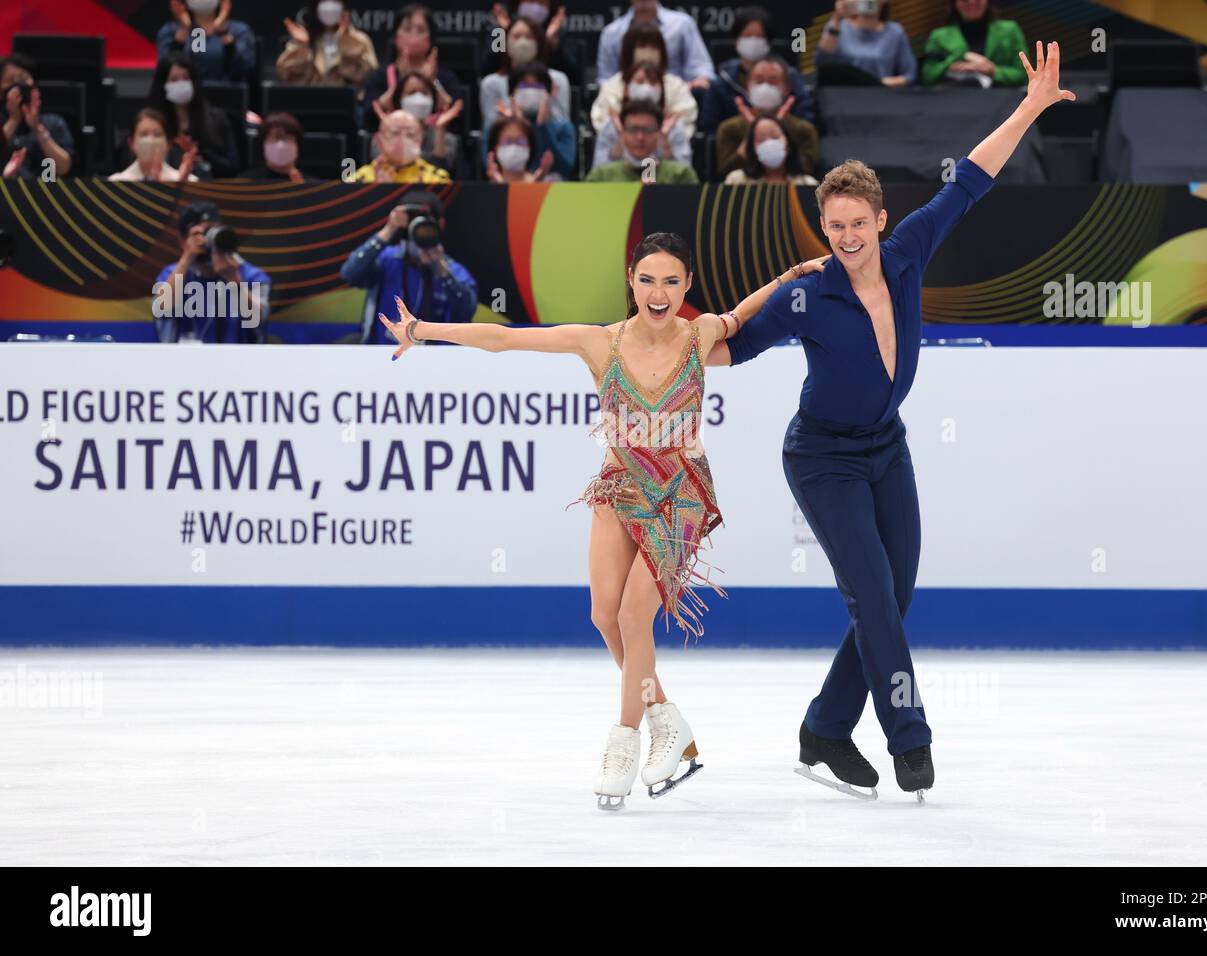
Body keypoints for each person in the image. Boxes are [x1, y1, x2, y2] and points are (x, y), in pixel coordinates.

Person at [706, 41, 1074, 801]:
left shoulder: (908, 253)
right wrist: (655, 343)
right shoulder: (805, 297)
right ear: (823, 226)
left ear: (880, 219)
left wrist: (1030, 106)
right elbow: (728, 349)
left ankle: (824, 727)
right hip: (821, 460)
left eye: (856, 224)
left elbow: (971, 178)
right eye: (832, 227)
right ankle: (911, 737)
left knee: (892, 595)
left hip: (888, 449)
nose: (845, 239)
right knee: (871, 596)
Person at [378, 230, 828, 808]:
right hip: (619, 488)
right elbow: (504, 339)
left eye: (671, 281)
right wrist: (423, 331)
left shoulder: (700, 335)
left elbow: (743, 315)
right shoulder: (599, 343)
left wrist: (790, 276)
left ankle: (625, 739)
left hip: (681, 495)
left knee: (634, 614)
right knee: (603, 614)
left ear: (687, 284)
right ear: (631, 284)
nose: (658, 293)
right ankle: (666, 717)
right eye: (647, 280)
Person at [339, 194, 477, 344]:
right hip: (380, 355)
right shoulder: (386, 260)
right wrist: (389, 230)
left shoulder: (453, 270)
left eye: (424, 225)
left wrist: (442, 272)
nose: (418, 231)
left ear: (440, 224)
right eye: (412, 224)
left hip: (435, 360)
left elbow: (467, 310)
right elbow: (349, 273)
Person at [360, 4, 467, 161]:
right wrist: (399, 84)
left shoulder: (445, 76)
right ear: (396, 37)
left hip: (434, 142)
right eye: (407, 29)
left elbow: (457, 115)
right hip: (392, 143)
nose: (413, 35)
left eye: (420, 30)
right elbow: (369, 117)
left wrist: (432, 82)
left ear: (430, 39)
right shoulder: (380, 76)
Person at [154, 200, 271, 343]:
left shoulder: (250, 275)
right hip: (185, 360)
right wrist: (187, 258)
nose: (206, 240)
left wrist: (234, 280)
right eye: (199, 233)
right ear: (183, 240)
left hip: (237, 360)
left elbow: (259, 319)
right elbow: (161, 309)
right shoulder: (173, 274)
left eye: (211, 231)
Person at [699, 7, 816, 135]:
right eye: (747, 35)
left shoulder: (790, 77)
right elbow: (709, 130)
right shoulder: (722, 81)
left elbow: (806, 119)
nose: (753, 41)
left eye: (759, 36)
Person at [714, 56, 818, 179]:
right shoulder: (729, 129)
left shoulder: (804, 130)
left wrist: (780, 129)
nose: (765, 86)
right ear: (747, 85)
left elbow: (806, 169)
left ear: (787, 89)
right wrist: (753, 133)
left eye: (773, 81)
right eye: (759, 80)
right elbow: (725, 172)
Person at [479, 17, 572, 152]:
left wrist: (545, 113)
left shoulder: (557, 80)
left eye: (529, 37)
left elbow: (562, 127)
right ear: (505, 42)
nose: (523, 42)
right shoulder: (491, 83)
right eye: (516, 36)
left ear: (539, 43)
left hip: (548, 148)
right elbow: (491, 132)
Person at [591, 23, 697, 140]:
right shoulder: (612, 87)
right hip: (622, 153)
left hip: (665, 152)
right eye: (642, 46)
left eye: (654, 47)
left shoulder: (677, 86)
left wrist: (661, 135)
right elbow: (603, 123)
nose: (648, 52)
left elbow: (685, 122)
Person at [147, 53, 241, 178]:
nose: (181, 84)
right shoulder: (153, 123)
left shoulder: (217, 119)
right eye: (174, 79)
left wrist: (200, 152)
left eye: (186, 78)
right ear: (163, 85)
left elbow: (233, 167)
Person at [480, 61, 574, 180]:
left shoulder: (564, 128)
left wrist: (542, 127)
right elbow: (490, 166)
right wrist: (519, 123)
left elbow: (565, 168)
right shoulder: (495, 128)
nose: (530, 91)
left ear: (548, 93)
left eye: (537, 86)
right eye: (524, 85)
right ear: (511, 93)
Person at [591, 62, 692, 170]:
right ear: (626, 89)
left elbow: (686, 176)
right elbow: (596, 175)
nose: (640, 137)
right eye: (640, 81)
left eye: (648, 130)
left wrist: (666, 150)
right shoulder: (611, 126)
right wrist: (616, 152)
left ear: (662, 89)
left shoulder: (675, 127)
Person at [596, 0, 714, 88]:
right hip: (627, 100)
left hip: (676, 96)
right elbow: (605, 79)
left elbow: (702, 69)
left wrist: (694, 84)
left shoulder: (682, 24)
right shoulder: (611, 32)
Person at [584, 100, 697, 184]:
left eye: (648, 130)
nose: (640, 137)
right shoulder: (601, 176)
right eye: (633, 129)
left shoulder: (681, 174)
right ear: (622, 133)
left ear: (658, 133)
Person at [0, 54, 75, 180]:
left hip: (44, 192)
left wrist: (38, 129)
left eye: (23, 80)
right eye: (12, 80)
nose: (19, 86)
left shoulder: (53, 123)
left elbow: (64, 168)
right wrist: (13, 120)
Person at [921, 0, 1028, 87]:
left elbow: (1024, 74)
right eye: (965, 0)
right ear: (955, 3)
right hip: (953, 100)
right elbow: (927, 77)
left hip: (1003, 101)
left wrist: (993, 70)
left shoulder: (1009, 30)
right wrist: (952, 63)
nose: (971, 2)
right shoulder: (938, 36)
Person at [372, 71, 464, 173]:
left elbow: (441, 172)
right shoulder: (380, 139)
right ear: (399, 99)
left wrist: (440, 130)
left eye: (424, 93)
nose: (418, 98)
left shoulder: (448, 139)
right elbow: (381, 168)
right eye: (411, 92)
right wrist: (387, 130)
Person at [815, 0, 917, 86]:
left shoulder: (895, 32)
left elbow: (909, 75)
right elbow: (822, 61)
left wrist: (881, 84)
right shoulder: (838, 26)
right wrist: (837, 18)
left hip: (881, 98)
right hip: (845, 98)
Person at [276, 2, 378, 87]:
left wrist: (347, 44)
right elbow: (285, 73)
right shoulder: (306, 37)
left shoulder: (359, 40)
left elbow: (369, 74)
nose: (329, 5)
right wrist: (302, 47)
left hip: (347, 101)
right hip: (311, 100)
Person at [157, 0, 257, 85]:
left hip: (228, 98)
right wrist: (184, 30)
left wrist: (224, 34)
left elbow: (245, 71)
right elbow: (164, 72)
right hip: (186, 98)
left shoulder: (239, 31)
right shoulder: (170, 31)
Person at [352, 110, 452, 183]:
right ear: (379, 141)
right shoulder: (359, 180)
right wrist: (378, 191)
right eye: (395, 133)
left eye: (410, 134)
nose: (402, 140)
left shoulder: (438, 179)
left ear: (420, 141)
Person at [110, 108, 200, 182]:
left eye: (157, 134)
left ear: (168, 144)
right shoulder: (116, 182)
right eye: (144, 134)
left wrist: (181, 186)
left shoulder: (189, 181)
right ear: (132, 143)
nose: (151, 140)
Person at [723, 116, 817, 185]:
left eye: (775, 137)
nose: (769, 143)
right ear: (752, 149)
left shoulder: (807, 184)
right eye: (761, 140)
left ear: (788, 143)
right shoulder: (736, 181)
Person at [485, 114, 558, 183]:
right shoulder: (484, 191)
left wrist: (539, 179)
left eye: (520, 141)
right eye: (508, 141)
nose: (514, 147)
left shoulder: (551, 183)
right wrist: (497, 183)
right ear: (495, 147)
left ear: (530, 146)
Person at [241, 112, 307, 181]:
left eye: (287, 138)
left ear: (298, 145)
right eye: (275, 137)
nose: (281, 145)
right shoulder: (244, 182)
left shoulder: (313, 186)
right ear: (263, 144)